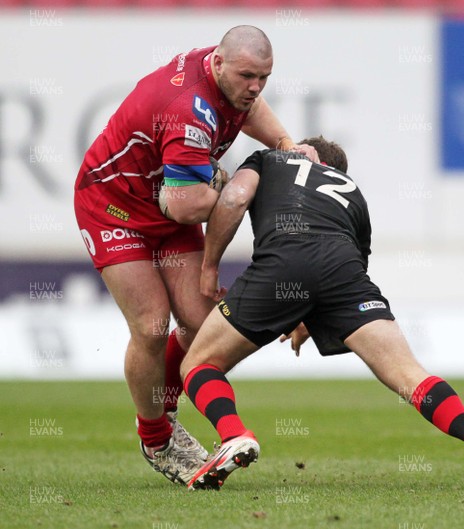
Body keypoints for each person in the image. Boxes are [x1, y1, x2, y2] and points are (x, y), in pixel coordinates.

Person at [178, 136, 464, 491]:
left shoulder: (272, 159)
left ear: (305, 153)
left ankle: (234, 434)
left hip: (282, 264)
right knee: (410, 376)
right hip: (344, 272)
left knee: (199, 364)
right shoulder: (352, 191)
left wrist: (210, 265)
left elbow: (236, 197)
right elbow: (346, 261)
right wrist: (306, 314)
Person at [73, 25, 316, 486]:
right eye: (247, 76)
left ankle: (162, 401)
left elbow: (248, 107)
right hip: (112, 207)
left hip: (167, 206)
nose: (255, 87)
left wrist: (283, 144)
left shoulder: (225, 76)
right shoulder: (189, 109)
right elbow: (186, 204)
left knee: (202, 324)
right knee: (150, 324)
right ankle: (156, 437)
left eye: (263, 77)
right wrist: (246, 186)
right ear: (220, 64)